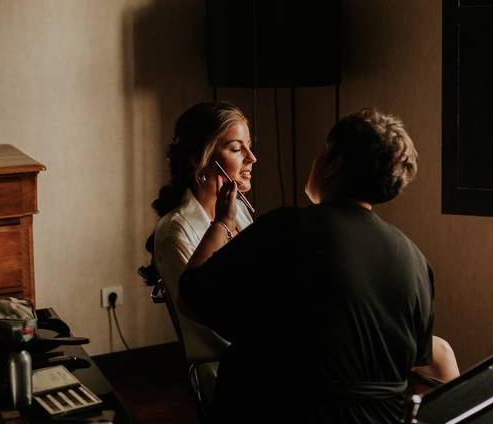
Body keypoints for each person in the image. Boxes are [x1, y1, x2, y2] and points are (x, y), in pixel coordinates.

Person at [180, 108, 458, 423]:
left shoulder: (285, 228)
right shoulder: (415, 261)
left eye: (324, 150)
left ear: (334, 164)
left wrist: (222, 222)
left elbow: (192, 296)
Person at [141, 101, 257, 406]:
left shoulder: (239, 211)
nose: (252, 158)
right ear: (200, 160)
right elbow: (208, 322)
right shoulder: (175, 232)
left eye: (249, 146)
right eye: (236, 149)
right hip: (227, 373)